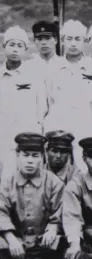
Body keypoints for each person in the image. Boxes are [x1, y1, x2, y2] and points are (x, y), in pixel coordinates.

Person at [44, 20, 92, 168]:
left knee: (82, 166)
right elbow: (50, 98)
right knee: (57, 165)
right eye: (69, 39)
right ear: (62, 40)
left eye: (78, 39)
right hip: (58, 122)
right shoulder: (53, 66)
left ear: (84, 41)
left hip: (83, 123)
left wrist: (87, 119)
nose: (73, 44)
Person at [0, 133, 64, 259]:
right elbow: (1, 213)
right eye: (25, 155)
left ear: (42, 158)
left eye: (35, 156)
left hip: (43, 241)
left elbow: (59, 212)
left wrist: (52, 229)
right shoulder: (7, 182)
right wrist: (11, 239)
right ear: (17, 156)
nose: (30, 161)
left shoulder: (54, 182)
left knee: (61, 242)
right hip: (16, 239)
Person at [0, 26, 49, 179]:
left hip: (28, 138)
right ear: (3, 46)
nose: (15, 50)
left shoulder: (34, 76)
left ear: (26, 49)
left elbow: (42, 108)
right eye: (11, 44)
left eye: (20, 45)